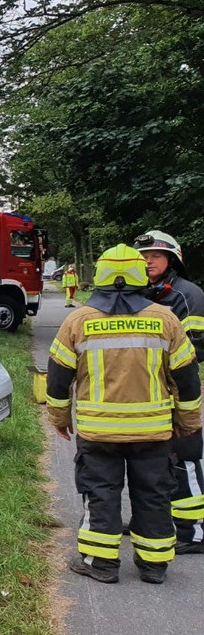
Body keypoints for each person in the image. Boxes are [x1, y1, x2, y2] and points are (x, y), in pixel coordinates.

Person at [46, 244, 201, 584]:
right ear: (139, 275)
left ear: (100, 275)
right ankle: (154, 565)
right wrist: (188, 422)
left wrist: (59, 419)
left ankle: (100, 563)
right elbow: (188, 380)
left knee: (100, 493)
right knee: (154, 495)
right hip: (154, 434)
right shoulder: (166, 320)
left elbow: (57, 379)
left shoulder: (78, 321)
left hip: (98, 434)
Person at [134, 230, 204, 552]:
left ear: (171, 260)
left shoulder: (188, 294)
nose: (148, 262)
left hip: (177, 391)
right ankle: (157, 523)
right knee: (154, 461)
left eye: (155, 257)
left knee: (185, 459)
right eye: (144, 257)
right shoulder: (139, 292)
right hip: (148, 394)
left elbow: (197, 349)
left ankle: (194, 532)